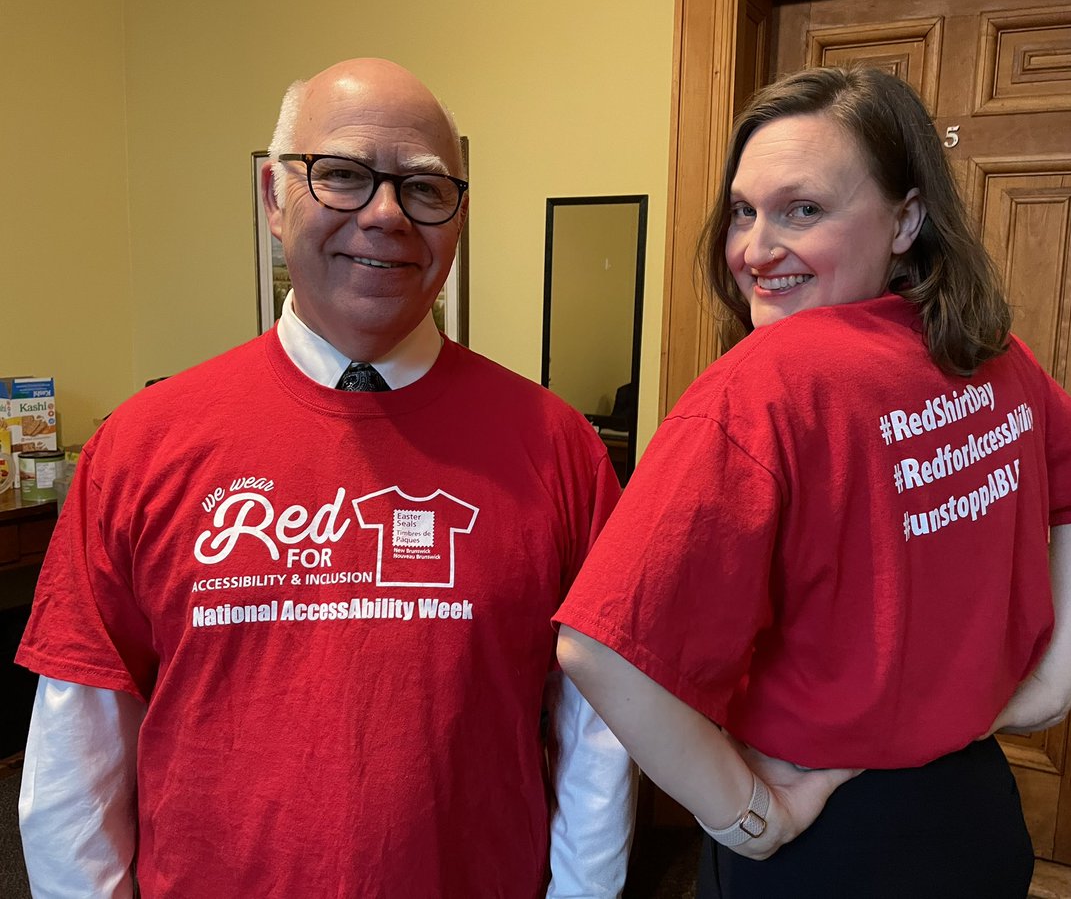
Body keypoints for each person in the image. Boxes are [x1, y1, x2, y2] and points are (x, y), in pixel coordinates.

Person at [17, 58, 634, 898]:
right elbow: (77, 745)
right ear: (274, 198)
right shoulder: (142, 447)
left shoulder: (558, 448)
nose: (385, 216)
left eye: (424, 188)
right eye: (342, 176)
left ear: (458, 217)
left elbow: (595, 730)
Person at [555, 66, 1071, 897]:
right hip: (976, 814)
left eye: (804, 210)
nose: (756, 250)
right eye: (743, 211)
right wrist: (1051, 687)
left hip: (823, 839)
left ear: (906, 219)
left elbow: (597, 647)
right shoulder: (985, 355)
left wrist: (747, 818)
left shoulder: (762, 385)